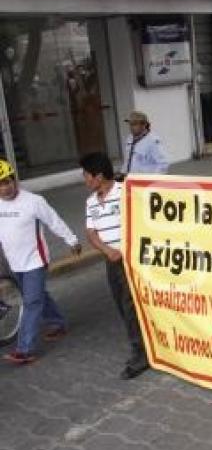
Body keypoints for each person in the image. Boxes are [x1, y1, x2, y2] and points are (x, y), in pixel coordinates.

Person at [0, 159, 81, 364]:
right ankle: (57, 322)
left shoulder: (34, 201)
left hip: (35, 261)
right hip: (14, 262)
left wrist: (71, 240)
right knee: (38, 295)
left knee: (31, 301)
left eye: (7, 182)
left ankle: (25, 349)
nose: (5, 187)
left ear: (15, 180)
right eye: (0, 184)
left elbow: (54, 221)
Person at [80, 153, 148, 379]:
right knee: (121, 305)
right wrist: (107, 250)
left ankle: (141, 354)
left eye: (86, 175)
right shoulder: (91, 201)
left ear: (98, 176)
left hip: (132, 259)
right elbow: (91, 232)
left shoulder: (126, 192)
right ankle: (142, 345)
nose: (84, 180)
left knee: (131, 307)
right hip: (111, 261)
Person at [121, 111, 169, 177]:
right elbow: (128, 159)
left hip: (146, 181)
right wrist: (123, 172)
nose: (131, 127)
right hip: (131, 179)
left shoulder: (152, 141)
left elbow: (163, 163)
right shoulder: (130, 138)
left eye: (134, 124)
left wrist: (153, 180)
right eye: (130, 124)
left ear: (144, 125)